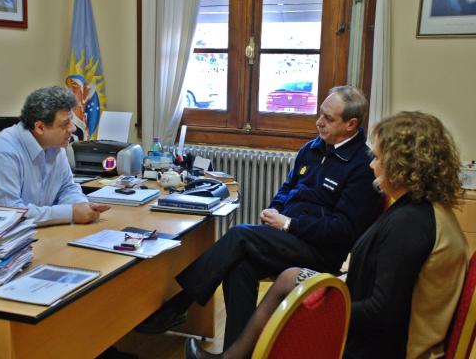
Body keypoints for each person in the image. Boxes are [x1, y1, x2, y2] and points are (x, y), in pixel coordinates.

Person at [185, 111, 469, 359]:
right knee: (252, 264)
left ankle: (194, 319)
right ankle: (235, 355)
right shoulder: (420, 209)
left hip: (374, 347)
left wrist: (304, 305)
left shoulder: (410, 224)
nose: (373, 164)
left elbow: (382, 313)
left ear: (404, 167)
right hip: (354, 296)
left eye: (380, 158)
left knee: (242, 238)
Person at [136, 86, 384, 350]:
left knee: (240, 235)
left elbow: (344, 230)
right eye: (320, 114)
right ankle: (236, 353)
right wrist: (274, 211)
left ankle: (179, 304)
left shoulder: (362, 165)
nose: (319, 122)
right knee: (239, 265)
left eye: (329, 118)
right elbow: (287, 190)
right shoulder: (312, 149)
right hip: (286, 237)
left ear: (351, 125)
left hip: (321, 253)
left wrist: (289, 224)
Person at [0, 86, 110, 226]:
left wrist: (82, 205)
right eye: (65, 124)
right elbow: (12, 213)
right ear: (40, 127)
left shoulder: (55, 146)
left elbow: (67, 188)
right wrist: (70, 213)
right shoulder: (3, 153)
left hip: (29, 234)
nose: (72, 128)